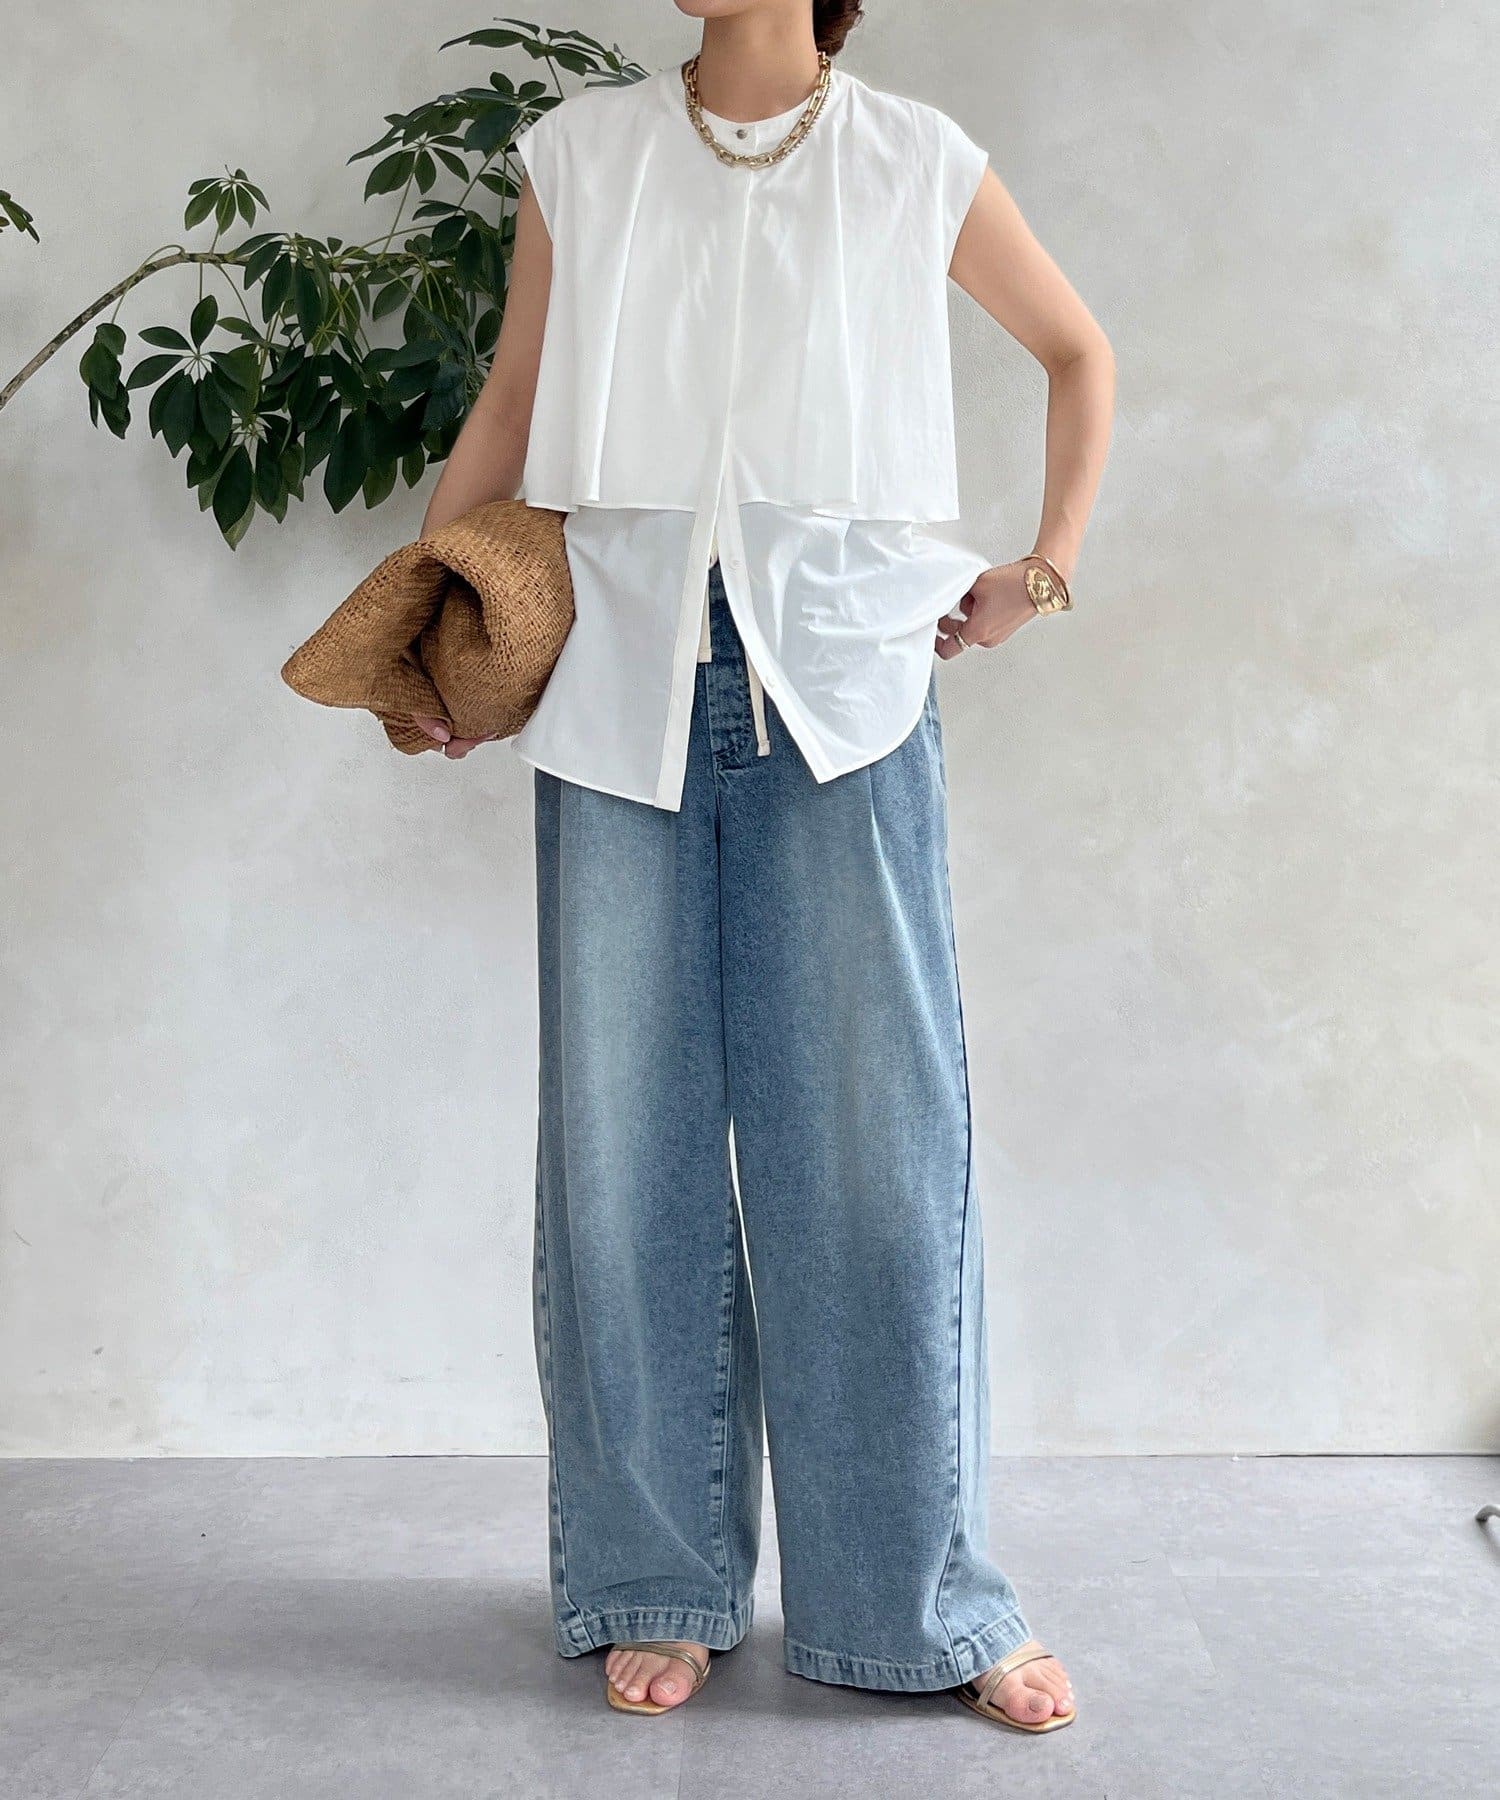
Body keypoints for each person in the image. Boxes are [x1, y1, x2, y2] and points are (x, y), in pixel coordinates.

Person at [417, 0, 1114, 1735]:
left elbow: (1078, 352)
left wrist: (1042, 569)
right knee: (623, 1157)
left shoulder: (913, 158)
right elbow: (513, 405)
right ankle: (657, 1579)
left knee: (876, 1157)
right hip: (615, 692)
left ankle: (921, 1599)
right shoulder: (579, 154)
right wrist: (427, 632)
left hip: (850, 693)